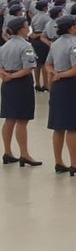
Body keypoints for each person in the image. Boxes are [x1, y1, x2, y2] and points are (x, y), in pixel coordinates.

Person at [45, 15, 76, 177]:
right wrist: (61, 75)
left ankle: (58, 162)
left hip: (57, 87)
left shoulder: (55, 44)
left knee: (58, 126)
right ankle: (75, 163)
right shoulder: (74, 44)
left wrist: (53, 73)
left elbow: (48, 63)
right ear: (72, 27)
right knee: (72, 126)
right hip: (70, 85)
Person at [0, 17, 41, 167]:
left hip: (7, 83)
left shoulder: (4, 46)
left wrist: (5, 75)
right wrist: (12, 76)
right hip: (21, 83)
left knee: (9, 118)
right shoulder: (26, 46)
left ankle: (7, 152)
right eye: (26, 26)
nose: (28, 28)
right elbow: (27, 68)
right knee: (22, 120)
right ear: (22, 29)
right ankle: (24, 154)